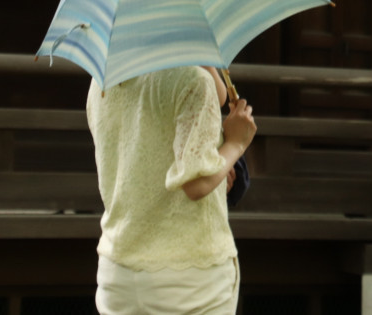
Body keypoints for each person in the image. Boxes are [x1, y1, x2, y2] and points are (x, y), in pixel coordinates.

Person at [86, 65, 258, 314]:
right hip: (189, 277)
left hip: (118, 273)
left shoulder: (102, 80)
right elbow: (197, 183)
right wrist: (235, 143)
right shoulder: (193, 80)